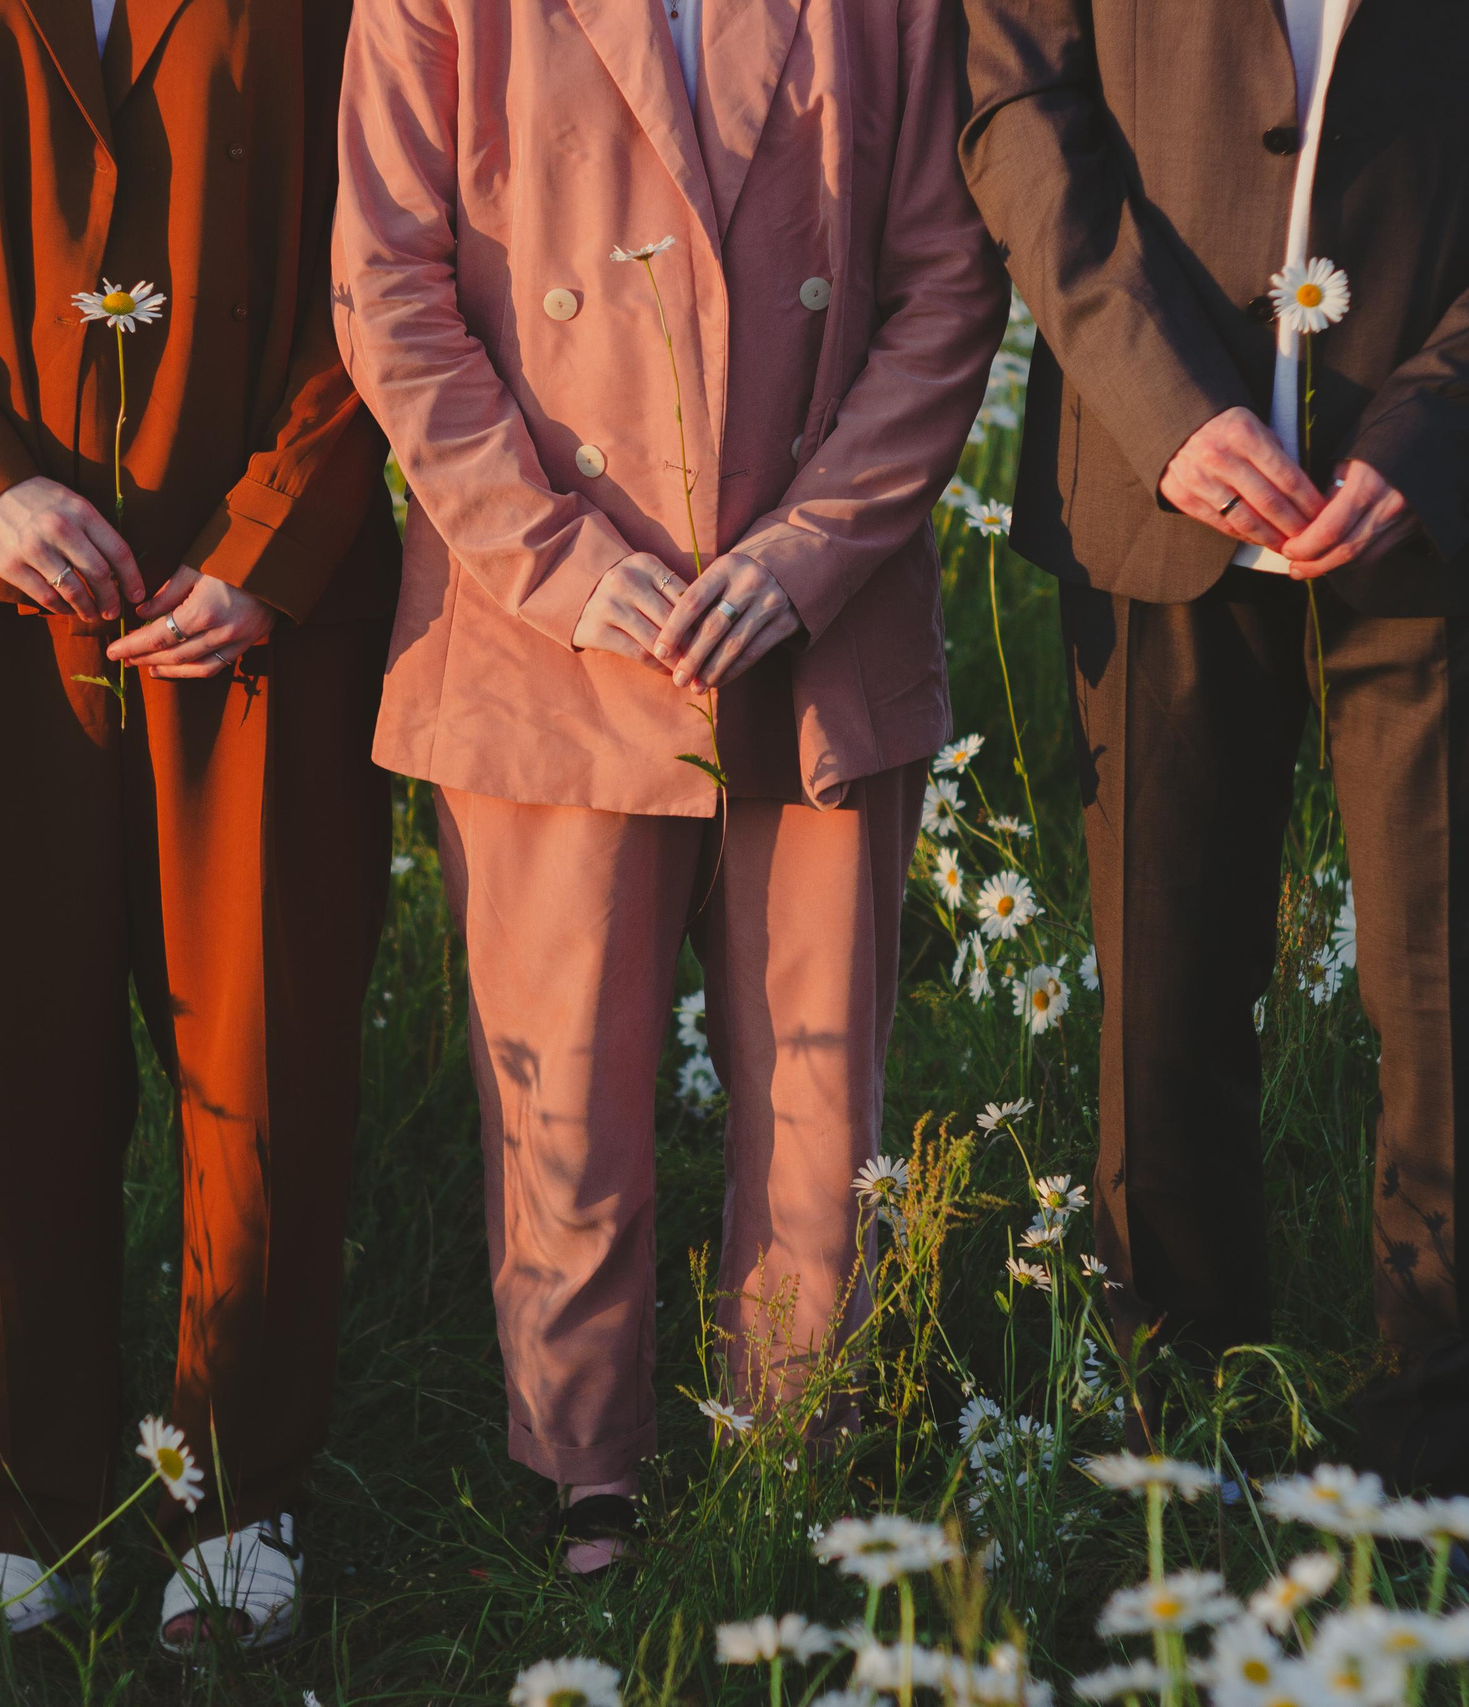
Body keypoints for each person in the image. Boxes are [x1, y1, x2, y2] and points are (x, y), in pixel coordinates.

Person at [959, 0, 1469, 1494]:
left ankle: (1429, 1471)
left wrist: (1441, 420)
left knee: (1447, 1010)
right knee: (1159, 1002)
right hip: (1149, 478)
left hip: (1452, 503)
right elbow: (1016, 101)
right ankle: (1182, 1449)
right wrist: (1163, 402)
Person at [333, 0, 1006, 1570]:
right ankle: (593, 1467)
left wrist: (812, 548)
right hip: (542, 625)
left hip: (812, 617)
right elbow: (390, 288)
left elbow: (944, 286)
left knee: (817, 1067)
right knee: (566, 1069)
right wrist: (563, 564)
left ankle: (794, 1448)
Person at [0, 0, 395, 1648]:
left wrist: (278, 535)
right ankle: (15, 1502)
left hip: (266, 587)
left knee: (266, 1043)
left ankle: (239, 1497)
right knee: (8, 1037)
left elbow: (397, 229)